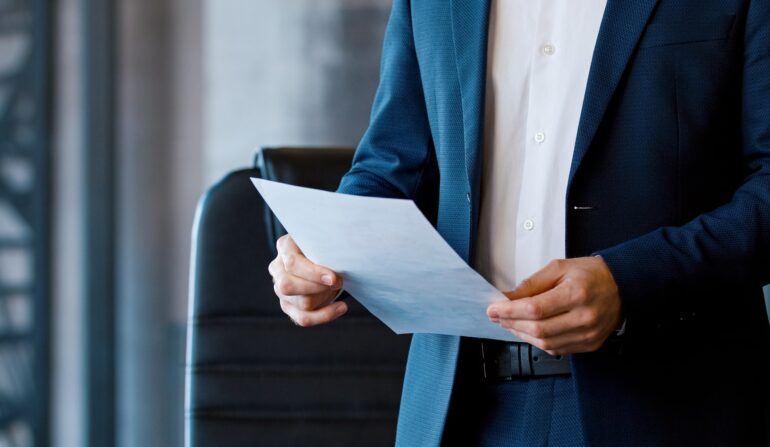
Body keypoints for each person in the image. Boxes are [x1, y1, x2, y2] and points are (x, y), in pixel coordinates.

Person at [268, 1, 770, 445]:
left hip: (670, 403)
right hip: (459, 409)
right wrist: (323, 248)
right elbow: (394, 166)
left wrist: (631, 281)